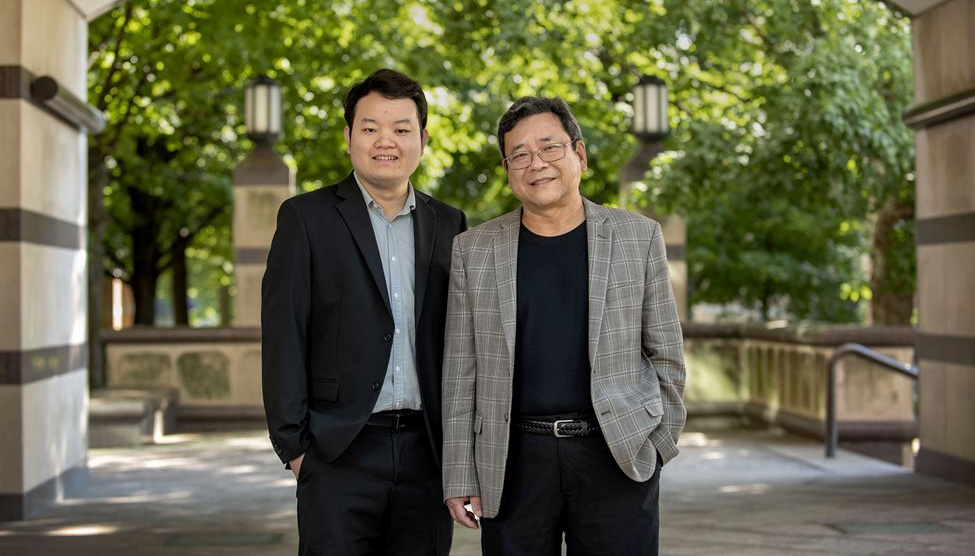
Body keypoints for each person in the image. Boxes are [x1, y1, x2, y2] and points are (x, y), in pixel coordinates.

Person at [442, 96, 686, 556]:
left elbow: (667, 355)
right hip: (512, 460)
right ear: (507, 169)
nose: (536, 163)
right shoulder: (473, 250)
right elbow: (460, 372)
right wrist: (459, 473)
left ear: (580, 154)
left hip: (616, 453)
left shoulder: (638, 237)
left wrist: (658, 445)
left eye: (550, 147)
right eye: (519, 154)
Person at [262, 68, 466, 556]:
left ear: (422, 140)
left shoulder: (449, 224)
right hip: (338, 451)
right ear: (349, 136)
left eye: (401, 129)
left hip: (426, 451)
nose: (385, 141)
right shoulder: (305, 218)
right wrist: (296, 448)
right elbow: (284, 334)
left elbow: (462, 339)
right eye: (370, 127)